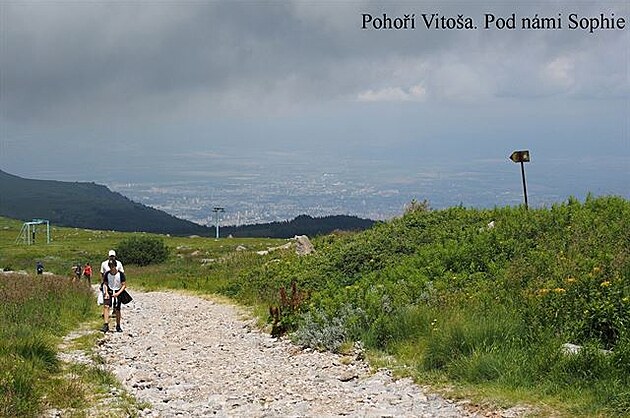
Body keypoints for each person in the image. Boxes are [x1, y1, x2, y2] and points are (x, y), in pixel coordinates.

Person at [101, 260, 126, 333]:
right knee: (106, 306)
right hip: (109, 291)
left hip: (118, 291)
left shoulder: (121, 274)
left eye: (113, 266)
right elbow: (105, 283)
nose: (111, 268)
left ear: (115, 266)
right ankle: (106, 324)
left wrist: (118, 293)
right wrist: (106, 293)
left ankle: (118, 325)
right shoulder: (107, 274)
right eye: (110, 266)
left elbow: (124, 285)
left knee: (117, 309)